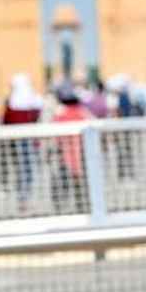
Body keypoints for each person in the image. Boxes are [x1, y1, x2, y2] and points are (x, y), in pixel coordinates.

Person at [3, 73, 43, 213]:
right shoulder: (34, 101)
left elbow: (6, 121)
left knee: (23, 170)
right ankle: (25, 199)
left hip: (19, 141)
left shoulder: (12, 103)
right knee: (27, 170)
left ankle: (24, 199)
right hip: (28, 140)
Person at [51, 84, 91, 213]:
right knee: (78, 181)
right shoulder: (82, 111)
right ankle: (81, 206)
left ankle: (63, 207)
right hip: (79, 152)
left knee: (64, 181)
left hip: (66, 153)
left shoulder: (60, 112)